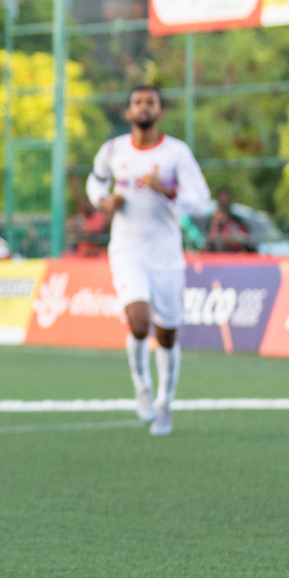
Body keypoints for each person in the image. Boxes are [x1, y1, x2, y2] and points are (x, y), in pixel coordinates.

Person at [87, 84, 212, 437]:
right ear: (128, 113)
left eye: (150, 102)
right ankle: (141, 384)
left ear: (160, 111)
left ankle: (164, 404)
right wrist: (104, 201)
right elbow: (95, 183)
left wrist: (168, 190)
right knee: (139, 323)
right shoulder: (113, 150)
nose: (144, 107)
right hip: (127, 250)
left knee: (167, 335)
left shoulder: (176, 153)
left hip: (167, 255)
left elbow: (201, 201)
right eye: (137, 102)